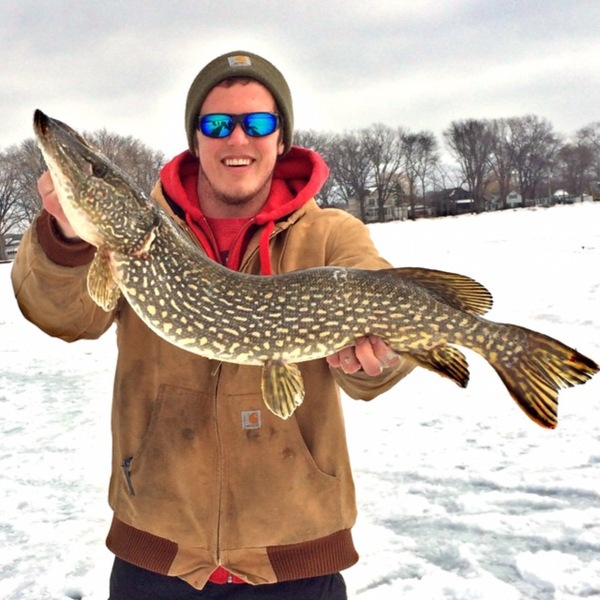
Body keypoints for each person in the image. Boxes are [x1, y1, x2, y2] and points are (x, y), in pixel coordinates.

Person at [12, 50, 415, 599]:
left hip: (295, 560)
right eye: (218, 124)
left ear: (281, 137)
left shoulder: (331, 235)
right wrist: (66, 239)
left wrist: (382, 357)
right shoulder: (139, 242)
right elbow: (63, 316)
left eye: (259, 123)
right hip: (156, 554)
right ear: (195, 138)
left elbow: (379, 343)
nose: (237, 139)